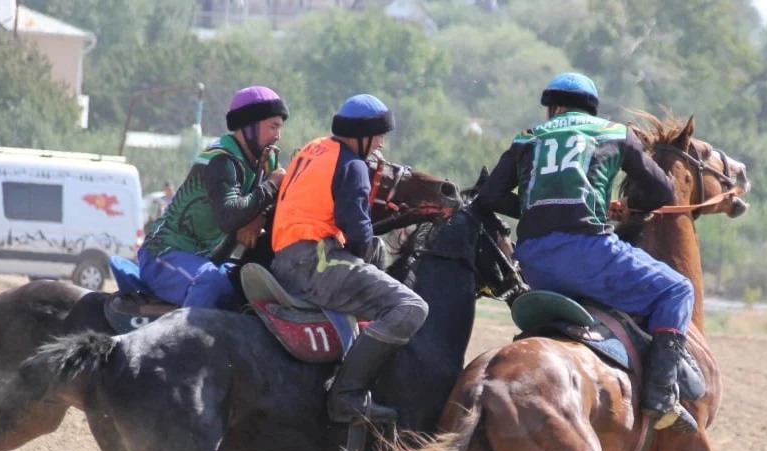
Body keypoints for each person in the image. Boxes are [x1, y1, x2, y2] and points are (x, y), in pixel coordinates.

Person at [475, 72, 697, 432]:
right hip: (589, 255)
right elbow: (663, 193)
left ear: (554, 108)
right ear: (590, 108)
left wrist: (535, 209)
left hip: (531, 263)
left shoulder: (527, 137)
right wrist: (623, 208)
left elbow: (490, 197)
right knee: (678, 289)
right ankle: (660, 396)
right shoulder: (615, 133)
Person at [271, 94, 428, 425]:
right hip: (316, 262)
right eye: (379, 135)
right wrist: (366, 255)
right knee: (412, 307)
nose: (381, 144)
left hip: (282, 260)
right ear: (362, 135)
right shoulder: (353, 166)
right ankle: (347, 395)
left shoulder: (313, 148)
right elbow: (358, 233)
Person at [137, 86, 288, 309]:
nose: (278, 136)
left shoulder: (267, 159)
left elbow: (272, 205)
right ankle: (186, 334)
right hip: (164, 254)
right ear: (249, 126)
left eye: (279, 127)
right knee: (211, 284)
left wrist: (260, 218)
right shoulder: (222, 159)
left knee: (251, 285)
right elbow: (230, 216)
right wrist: (271, 185)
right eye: (273, 127)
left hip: (206, 260)